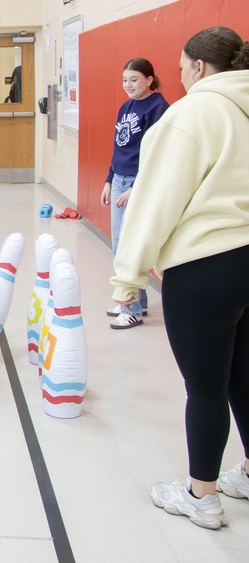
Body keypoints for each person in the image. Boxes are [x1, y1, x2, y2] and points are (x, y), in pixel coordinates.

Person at [111, 26, 249, 531]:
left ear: (196, 67)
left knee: (207, 385)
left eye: (179, 66)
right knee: (243, 375)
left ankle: (202, 496)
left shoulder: (190, 113)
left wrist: (127, 277)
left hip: (205, 265)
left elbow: (154, 202)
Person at [99, 58, 169, 330]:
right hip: (119, 180)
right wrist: (109, 179)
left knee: (130, 246)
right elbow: (119, 148)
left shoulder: (159, 107)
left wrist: (135, 186)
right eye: (125, 80)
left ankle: (134, 310)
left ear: (149, 80)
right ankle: (135, 300)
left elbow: (156, 154)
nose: (128, 85)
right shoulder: (126, 107)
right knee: (119, 245)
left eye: (135, 79)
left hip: (139, 182)